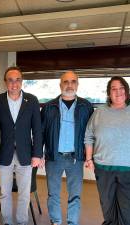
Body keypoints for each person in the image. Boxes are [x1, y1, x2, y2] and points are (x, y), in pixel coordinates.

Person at [84, 76, 130, 225]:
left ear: (126, 90)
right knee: (107, 208)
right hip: (103, 169)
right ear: (108, 93)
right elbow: (88, 135)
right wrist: (89, 159)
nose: (118, 92)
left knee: (127, 211)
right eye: (114, 89)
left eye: (121, 88)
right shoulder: (100, 112)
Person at [41, 71, 93, 225]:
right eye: (66, 82)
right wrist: (39, 154)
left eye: (73, 81)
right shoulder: (49, 107)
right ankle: (56, 222)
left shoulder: (86, 106)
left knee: (75, 195)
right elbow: (41, 133)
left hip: (75, 158)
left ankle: (72, 222)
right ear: (60, 84)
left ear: (77, 84)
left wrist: (90, 157)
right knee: (53, 194)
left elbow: (92, 133)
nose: (69, 85)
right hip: (53, 157)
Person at [0, 66, 42, 225]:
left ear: (22, 81)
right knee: (5, 193)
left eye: (17, 80)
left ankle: (22, 222)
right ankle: (7, 222)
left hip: (25, 154)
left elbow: (37, 129)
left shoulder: (32, 100)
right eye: (10, 80)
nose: (14, 84)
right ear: (5, 82)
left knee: (24, 194)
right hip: (3, 153)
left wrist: (37, 154)